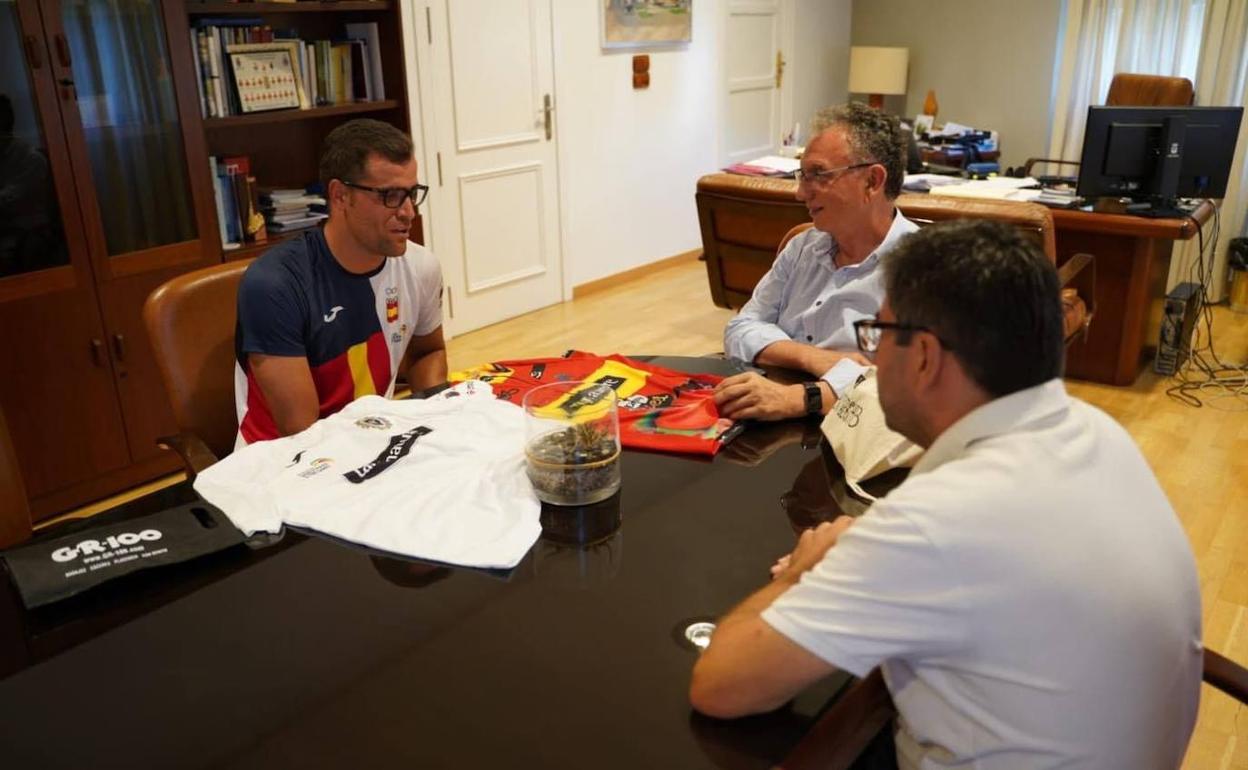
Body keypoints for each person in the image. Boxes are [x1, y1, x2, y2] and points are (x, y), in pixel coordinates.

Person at [690, 221, 1202, 769]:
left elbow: (721, 688)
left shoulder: (937, 523)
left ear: (926, 356)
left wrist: (801, 573)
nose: (871, 360)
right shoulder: (1096, 434)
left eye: (878, 336)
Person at [234, 119, 446, 445]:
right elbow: (301, 436)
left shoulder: (421, 267)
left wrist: (429, 418)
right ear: (339, 195)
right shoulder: (274, 285)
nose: (408, 212)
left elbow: (427, 352)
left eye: (412, 194)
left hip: (373, 443)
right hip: (281, 467)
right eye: (390, 195)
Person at [715, 102, 918, 422]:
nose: (800, 193)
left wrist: (800, 398)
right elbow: (740, 328)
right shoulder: (802, 249)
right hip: (769, 415)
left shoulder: (927, 269)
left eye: (818, 175)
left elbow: (909, 383)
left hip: (857, 435)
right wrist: (814, 359)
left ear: (872, 181)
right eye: (802, 175)